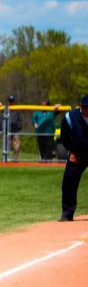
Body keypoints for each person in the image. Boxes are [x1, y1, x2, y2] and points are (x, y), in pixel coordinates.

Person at [57, 94, 88, 222]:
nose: (86, 110)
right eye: (84, 108)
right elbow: (64, 136)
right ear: (80, 107)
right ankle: (67, 213)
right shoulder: (71, 117)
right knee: (69, 182)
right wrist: (71, 151)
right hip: (78, 154)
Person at [6, 94, 23, 161]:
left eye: (12, 101)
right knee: (7, 145)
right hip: (7, 130)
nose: (11, 102)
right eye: (10, 101)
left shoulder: (17, 109)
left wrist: (19, 127)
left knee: (16, 145)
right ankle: (6, 158)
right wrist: (2, 128)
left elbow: (20, 120)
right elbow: (2, 119)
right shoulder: (6, 109)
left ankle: (15, 158)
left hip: (15, 130)